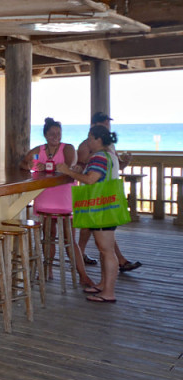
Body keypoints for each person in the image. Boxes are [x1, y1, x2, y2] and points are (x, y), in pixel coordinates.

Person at [19, 118, 91, 285]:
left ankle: (82, 275)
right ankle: (47, 269)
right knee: (49, 236)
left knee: (70, 240)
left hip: (64, 200)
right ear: (45, 135)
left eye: (58, 133)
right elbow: (24, 162)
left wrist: (48, 165)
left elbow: (69, 163)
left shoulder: (67, 148)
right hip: (44, 199)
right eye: (51, 133)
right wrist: (33, 165)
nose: (55, 136)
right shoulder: (40, 150)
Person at [58, 125, 124, 303]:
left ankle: (108, 292)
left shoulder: (99, 157)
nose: (87, 142)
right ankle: (103, 284)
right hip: (109, 206)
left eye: (90, 138)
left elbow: (91, 179)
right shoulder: (110, 155)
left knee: (107, 250)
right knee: (104, 250)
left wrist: (68, 171)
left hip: (101, 209)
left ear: (99, 140)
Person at [76, 112, 141, 273]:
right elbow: (83, 170)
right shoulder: (86, 146)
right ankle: (81, 256)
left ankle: (83, 257)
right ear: (94, 125)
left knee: (102, 234)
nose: (107, 126)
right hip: (93, 195)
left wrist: (126, 162)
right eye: (104, 123)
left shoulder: (109, 146)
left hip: (104, 196)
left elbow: (114, 167)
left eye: (108, 123)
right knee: (97, 233)